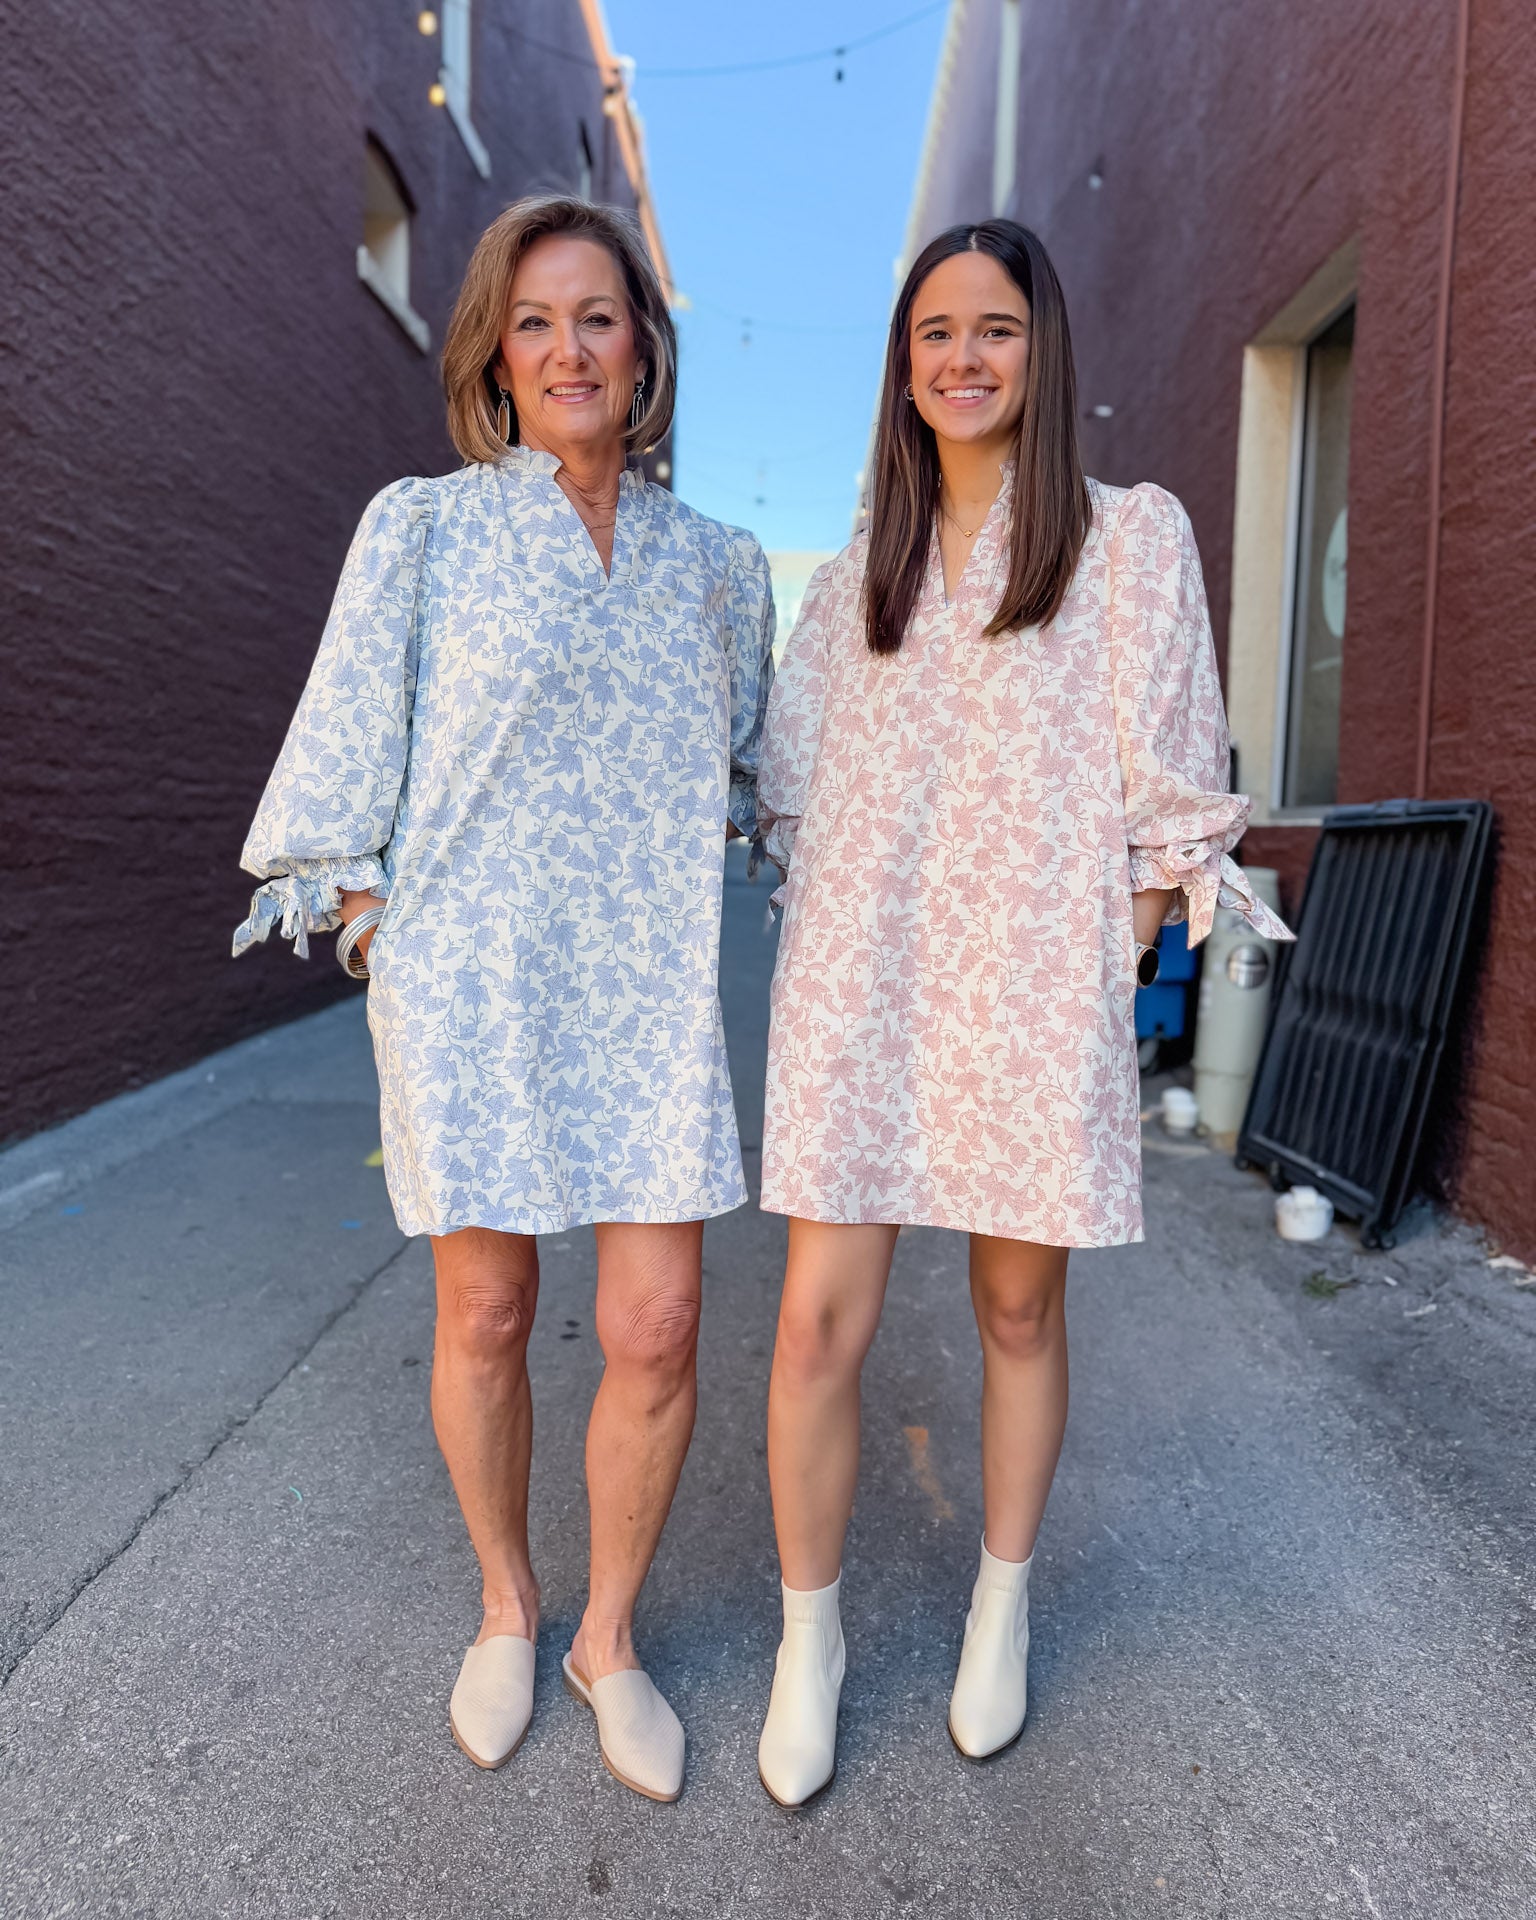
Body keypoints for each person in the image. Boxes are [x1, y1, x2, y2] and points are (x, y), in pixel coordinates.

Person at [233, 195, 774, 1805]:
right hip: (473, 982)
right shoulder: (425, 529)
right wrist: (376, 935)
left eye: (596, 316)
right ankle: (506, 1603)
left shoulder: (724, 571)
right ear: (492, 349)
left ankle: (609, 1635)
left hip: (652, 991)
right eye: (533, 322)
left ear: (644, 346)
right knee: (486, 1313)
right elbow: (339, 751)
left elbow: (780, 774)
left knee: (658, 1327)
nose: (566, 349)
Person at [752, 219, 1291, 1806]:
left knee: (1016, 1314)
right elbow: (791, 800)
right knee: (811, 1327)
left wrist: (1103, 966)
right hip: (862, 993)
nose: (962, 358)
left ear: (1042, 351)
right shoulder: (855, 576)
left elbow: (1173, 797)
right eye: (934, 332)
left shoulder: (1129, 541)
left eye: (994, 329)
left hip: (1034, 991)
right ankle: (811, 1637)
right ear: (902, 363)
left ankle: (1001, 1602)